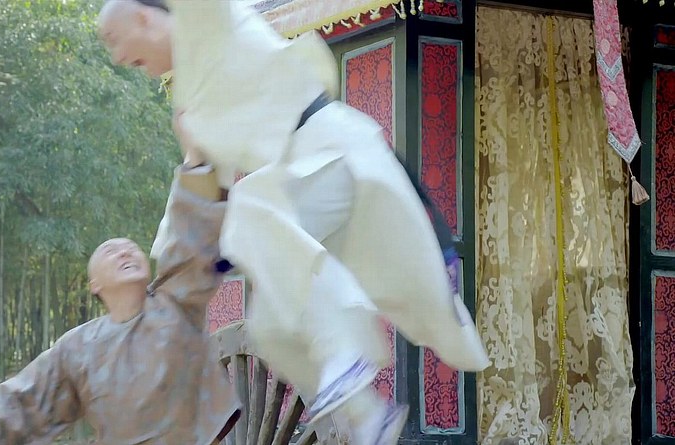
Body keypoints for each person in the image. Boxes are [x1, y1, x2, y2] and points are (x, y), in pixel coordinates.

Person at [97, 1, 490, 443]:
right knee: (270, 327)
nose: (116, 57)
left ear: (143, 18)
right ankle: (367, 414)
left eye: (113, 39)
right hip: (301, 193)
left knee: (248, 208)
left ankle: (345, 353)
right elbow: (198, 203)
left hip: (334, 153)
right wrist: (192, 161)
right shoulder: (189, 106)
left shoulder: (206, 20)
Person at [0, 164, 240, 445]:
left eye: (130, 248)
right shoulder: (78, 348)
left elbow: (191, 237)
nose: (124, 252)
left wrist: (197, 161)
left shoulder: (176, 303)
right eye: (110, 251)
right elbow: (19, 403)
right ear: (94, 284)